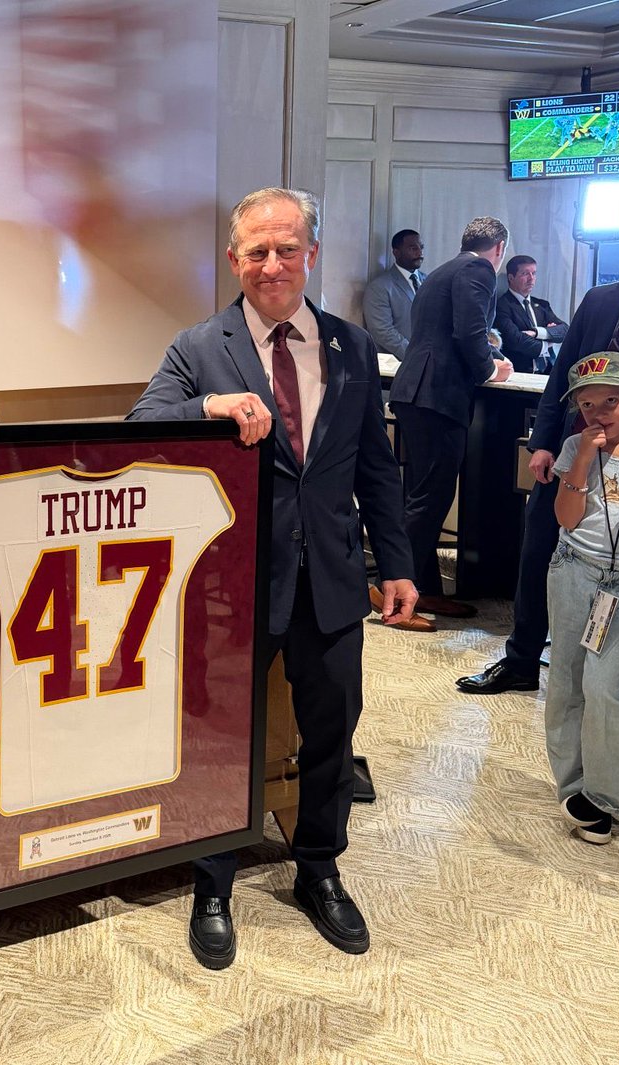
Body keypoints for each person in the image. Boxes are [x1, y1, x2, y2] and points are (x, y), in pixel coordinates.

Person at [127, 187, 419, 967]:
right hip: (230, 588)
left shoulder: (353, 348)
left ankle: (318, 870)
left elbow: (374, 471)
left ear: (311, 255)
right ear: (233, 260)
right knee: (219, 740)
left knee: (333, 733)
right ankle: (211, 881)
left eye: (287, 248)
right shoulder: (199, 346)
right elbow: (140, 427)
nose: (272, 264)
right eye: (256, 251)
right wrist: (211, 407)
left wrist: (396, 566)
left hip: (329, 582)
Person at [457, 225, 619, 695]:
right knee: (538, 552)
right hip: (569, 453)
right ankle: (520, 659)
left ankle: (612, 677)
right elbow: (562, 374)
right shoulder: (602, 299)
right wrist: (542, 441)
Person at [387, 217, 514, 625]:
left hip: (419, 391)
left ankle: (423, 591)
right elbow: (469, 333)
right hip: (437, 395)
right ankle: (393, 591)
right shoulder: (478, 270)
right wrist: (491, 369)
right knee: (430, 499)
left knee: (425, 496)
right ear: (499, 249)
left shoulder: (443, 269)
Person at [546, 351, 619, 863]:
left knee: (606, 686)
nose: (599, 413)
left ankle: (611, 791)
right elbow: (566, 517)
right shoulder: (575, 445)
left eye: (611, 400)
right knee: (565, 679)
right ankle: (576, 790)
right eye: (587, 405)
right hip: (573, 570)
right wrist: (582, 458)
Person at [494, 255, 569, 374]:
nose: (531, 278)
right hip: (520, 374)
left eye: (534, 273)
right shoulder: (501, 306)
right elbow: (516, 340)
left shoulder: (542, 305)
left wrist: (537, 332)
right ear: (511, 277)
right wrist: (548, 343)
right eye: (525, 274)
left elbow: (565, 330)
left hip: (548, 372)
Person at [361, 228, 426, 359]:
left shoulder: (429, 281)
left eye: (421, 248)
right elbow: (382, 331)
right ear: (396, 252)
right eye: (413, 248)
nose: (420, 253)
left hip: (430, 363)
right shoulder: (379, 287)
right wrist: (415, 356)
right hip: (396, 368)